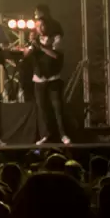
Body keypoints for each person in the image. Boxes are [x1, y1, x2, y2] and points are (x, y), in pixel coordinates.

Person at [28, 16, 70, 145]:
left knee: (57, 107)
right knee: (42, 108)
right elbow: (27, 54)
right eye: (37, 26)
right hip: (38, 78)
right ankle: (45, 135)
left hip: (53, 78)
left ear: (47, 26)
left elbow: (55, 55)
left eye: (42, 26)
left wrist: (40, 47)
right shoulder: (35, 40)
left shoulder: (56, 38)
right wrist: (29, 46)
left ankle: (63, 134)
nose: (39, 29)